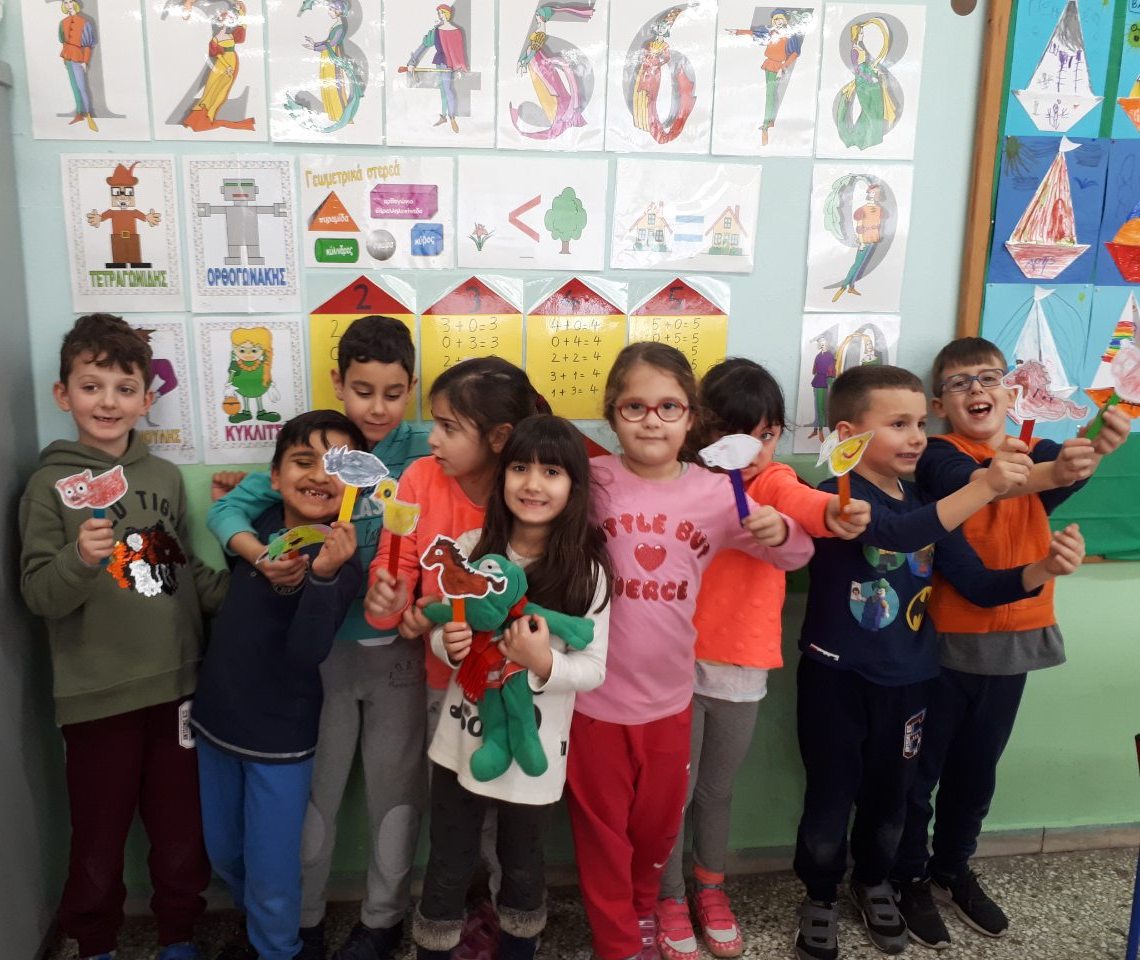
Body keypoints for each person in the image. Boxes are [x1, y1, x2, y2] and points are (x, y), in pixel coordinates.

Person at [791, 364, 1087, 960]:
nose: (916, 438)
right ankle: (820, 895)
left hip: (911, 681)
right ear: (847, 433)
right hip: (835, 680)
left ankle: (873, 882)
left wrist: (1042, 570)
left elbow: (977, 584)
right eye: (898, 425)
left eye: (919, 425)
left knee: (890, 800)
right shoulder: (835, 496)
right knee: (829, 795)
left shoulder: (931, 501)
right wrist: (985, 486)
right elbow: (897, 534)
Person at [565, 342, 814, 960]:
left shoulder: (715, 492)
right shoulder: (591, 482)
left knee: (657, 829)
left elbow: (796, 554)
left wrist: (781, 529)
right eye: (635, 406)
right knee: (602, 834)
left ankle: (647, 909)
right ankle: (618, 942)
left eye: (669, 407)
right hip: (593, 700)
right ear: (612, 412)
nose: (652, 420)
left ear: (690, 417)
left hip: (671, 703)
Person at [891, 338, 1131, 949]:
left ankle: (952, 868)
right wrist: (1052, 475)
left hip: (1016, 645)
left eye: (989, 377)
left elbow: (1052, 477)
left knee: (977, 775)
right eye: (959, 382)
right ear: (939, 405)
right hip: (946, 649)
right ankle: (909, 876)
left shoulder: (1039, 449)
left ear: (1011, 389)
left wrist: (1091, 451)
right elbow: (985, 487)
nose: (977, 389)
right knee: (919, 777)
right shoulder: (938, 457)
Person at [208, 316, 430, 960]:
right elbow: (227, 509)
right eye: (363, 391)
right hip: (321, 658)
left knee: (394, 798)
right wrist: (259, 555)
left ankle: (382, 921)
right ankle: (297, 924)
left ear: (412, 388)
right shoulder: (316, 448)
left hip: (398, 657)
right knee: (313, 801)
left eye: (393, 393)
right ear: (338, 382)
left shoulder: (426, 450)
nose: (378, 408)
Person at [20, 313, 228, 960]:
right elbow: (39, 594)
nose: (108, 401)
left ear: (146, 398)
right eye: (91, 386)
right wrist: (81, 558)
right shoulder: (48, 486)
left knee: (180, 830)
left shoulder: (163, 477)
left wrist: (253, 588)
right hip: (98, 695)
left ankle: (178, 935)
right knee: (99, 836)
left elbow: (184, 570)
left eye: (124, 387)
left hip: (177, 686)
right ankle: (95, 941)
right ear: (64, 395)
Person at [655, 359, 871, 960]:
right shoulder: (683, 481)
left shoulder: (772, 482)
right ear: (702, 429)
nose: (753, 450)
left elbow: (805, 503)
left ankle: (709, 888)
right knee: (673, 792)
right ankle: (666, 895)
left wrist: (831, 515)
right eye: (736, 433)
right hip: (670, 664)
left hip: (740, 665)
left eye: (768, 434)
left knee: (716, 790)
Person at [364, 356, 545, 957]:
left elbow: (536, 598)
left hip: (517, 689)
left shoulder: (527, 490)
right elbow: (395, 579)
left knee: (510, 824)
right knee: (454, 820)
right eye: (433, 423)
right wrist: (392, 601)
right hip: (446, 689)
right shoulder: (420, 478)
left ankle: (506, 920)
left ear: (497, 437)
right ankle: (461, 916)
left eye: (447, 426)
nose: (431, 439)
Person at [415, 414, 612, 960]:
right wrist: (448, 643)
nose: (533, 483)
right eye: (520, 467)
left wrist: (542, 661)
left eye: (552, 471)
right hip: (460, 742)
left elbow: (594, 668)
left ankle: (519, 949)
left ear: (574, 485)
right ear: (502, 476)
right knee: (448, 860)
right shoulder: (471, 547)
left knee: (523, 866)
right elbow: (444, 627)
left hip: (535, 752)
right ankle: (434, 948)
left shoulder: (586, 571)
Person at [193, 410, 365, 960]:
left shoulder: (343, 561)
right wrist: (245, 536)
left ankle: (277, 948)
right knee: (224, 852)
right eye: (303, 461)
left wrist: (323, 578)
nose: (318, 475)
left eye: (337, 466)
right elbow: (227, 530)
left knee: (272, 868)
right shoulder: (260, 522)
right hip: (216, 721)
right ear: (275, 476)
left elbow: (306, 652)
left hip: (281, 741)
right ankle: (257, 932)